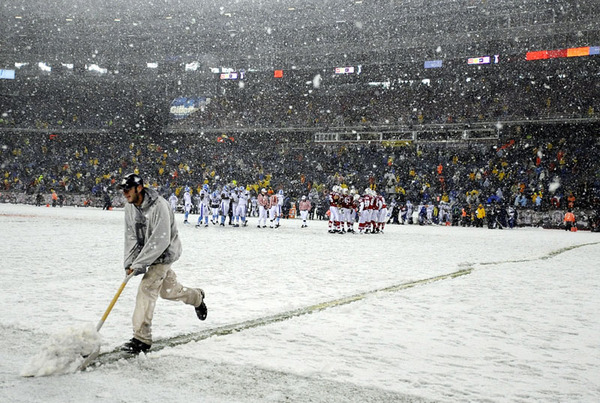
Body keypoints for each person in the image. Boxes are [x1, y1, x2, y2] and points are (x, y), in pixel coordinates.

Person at [118, 173, 207, 354]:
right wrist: (129, 262)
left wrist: (140, 263)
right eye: (123, 190)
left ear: (139, 188)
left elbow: (161, 240)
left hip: (165, 254)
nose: (125, 193)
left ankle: (141, 339)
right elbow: (131, 236)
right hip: (147, 253)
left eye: (128, 189)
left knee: (147, 288)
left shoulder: (160, 206)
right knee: (168, 292)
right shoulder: (130, 208)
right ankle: (197, 297)